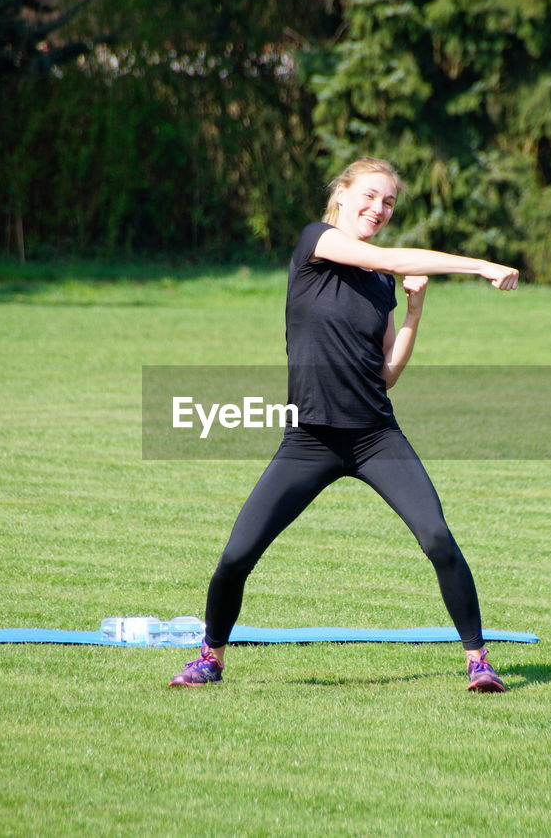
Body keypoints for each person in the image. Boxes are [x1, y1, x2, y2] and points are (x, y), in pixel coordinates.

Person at [170, 157, 519, 692]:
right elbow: (386, 255)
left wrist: (413, 315)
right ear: (343, 192)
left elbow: (386, 374)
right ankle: (210, 658)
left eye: (389, 202)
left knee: (437, 538)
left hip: (375, 436)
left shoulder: (380, 284)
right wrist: (480, 266)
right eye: (371, 196)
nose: (379, 208)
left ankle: (478, 662)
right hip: (309, 438)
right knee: (238, 554)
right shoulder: (317, 242)